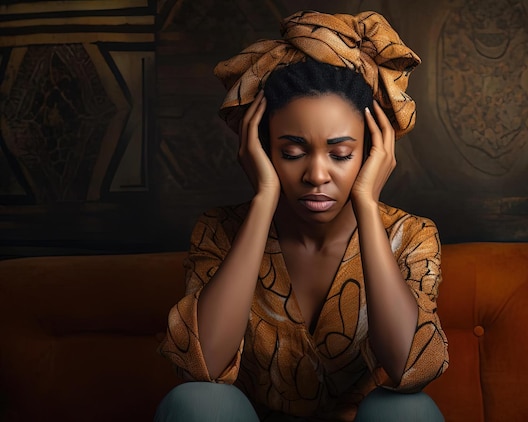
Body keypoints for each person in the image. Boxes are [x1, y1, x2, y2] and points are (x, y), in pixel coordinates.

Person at [155, 10, 448, 422]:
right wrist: (263, 200)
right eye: (291, 152)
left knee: (408, 409)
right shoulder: (218, 230)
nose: (316, 175)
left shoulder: (412, 235)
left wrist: (366, 202)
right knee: (197, 401)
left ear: (370, 151)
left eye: (341, 154)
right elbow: (198, 367)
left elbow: (409, 368)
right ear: (262, 148)